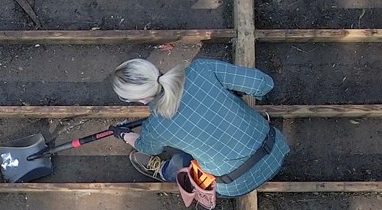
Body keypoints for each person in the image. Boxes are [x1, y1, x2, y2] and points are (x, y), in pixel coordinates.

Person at [110, 57, 289, 200]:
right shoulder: (201, 69)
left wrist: (125, 134)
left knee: (182, 159)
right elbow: (262, 84)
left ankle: (166, 171)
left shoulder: (156, 125)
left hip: (235, 184)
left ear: (139, 99)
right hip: (275, 148)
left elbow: (145, 147)